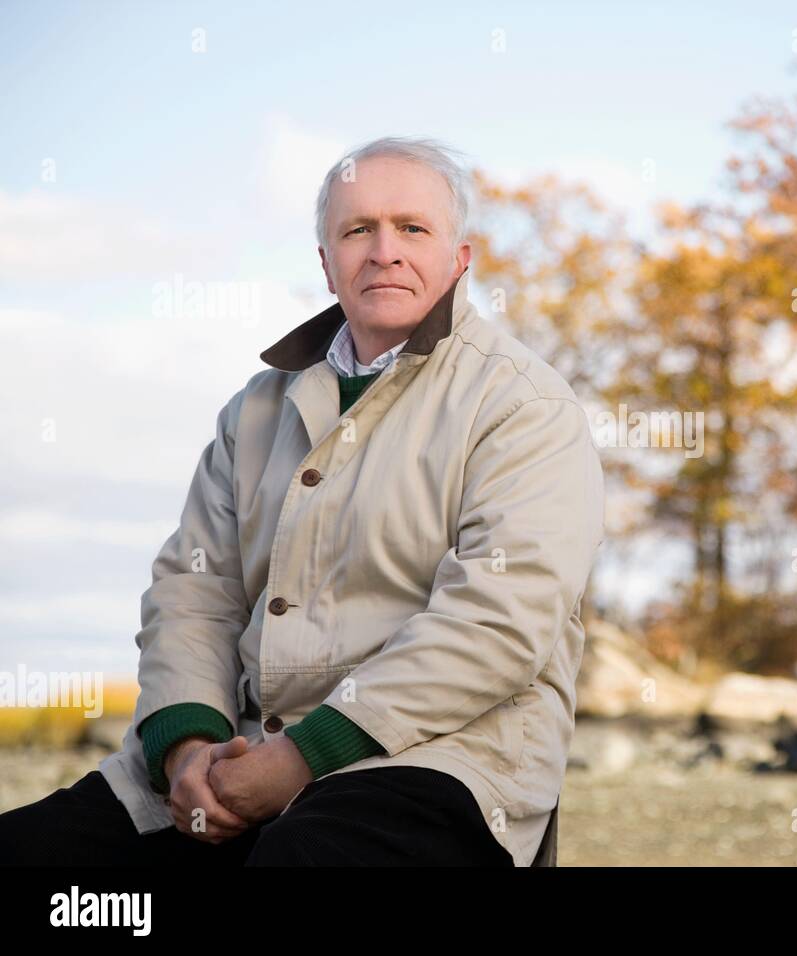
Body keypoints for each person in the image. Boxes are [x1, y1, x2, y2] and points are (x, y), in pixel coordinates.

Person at [0, 135, 605, 867]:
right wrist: (187, 750)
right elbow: (194, 589)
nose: (384, 250)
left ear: (461, 258)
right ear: (326, 263)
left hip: (440, 758)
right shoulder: (254, 412)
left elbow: (499, 621)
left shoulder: (522, 405)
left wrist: (299, 760)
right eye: (358, 230)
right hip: (235, 752)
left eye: (412, 228)